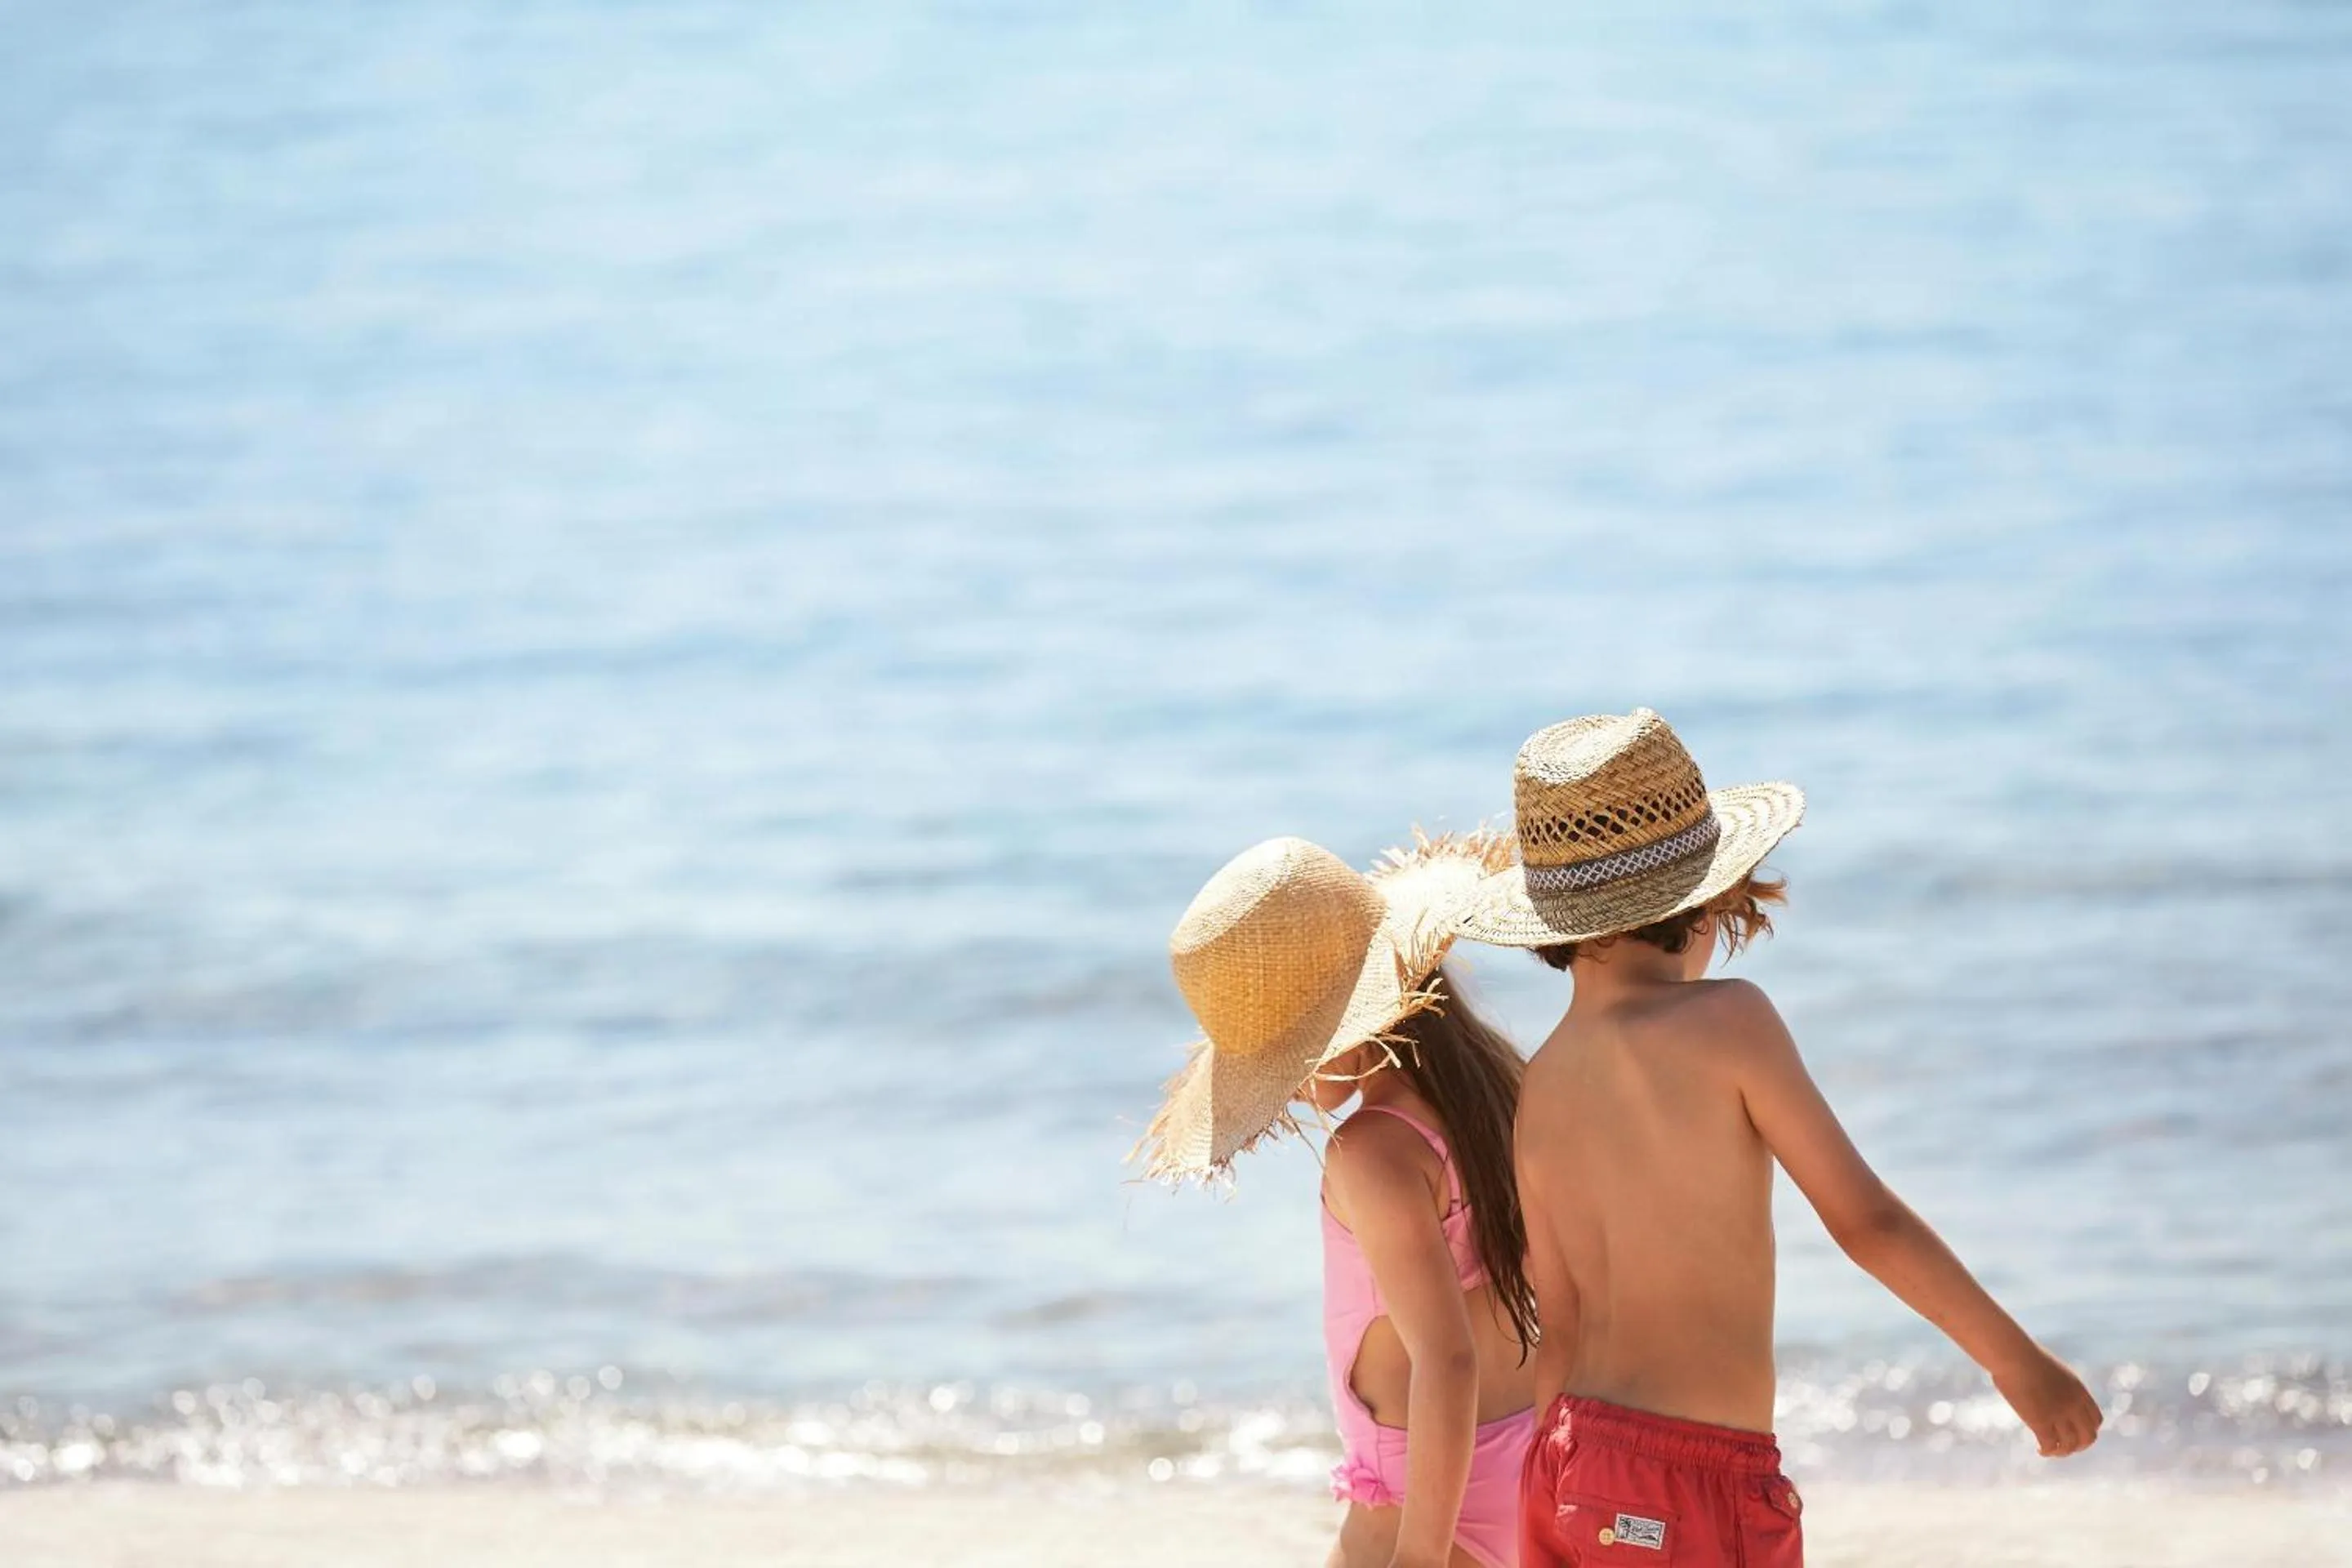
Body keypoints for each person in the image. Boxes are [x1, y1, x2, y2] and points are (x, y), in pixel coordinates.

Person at [1453, 710, 2102, 1568]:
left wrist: (1565, 1491)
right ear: (1707, 895)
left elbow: (1558, 1313)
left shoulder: (1544, 1080)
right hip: (1691, 1475)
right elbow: (1865, 1220)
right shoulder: (1730, 1021)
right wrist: (2016, 1361)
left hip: (1570, 1457)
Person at [1136, 831, 1539, 1568]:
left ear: (1354, 1029)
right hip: (1524, 1455)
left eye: (1288, 1052)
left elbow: (1446, 1362)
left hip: (1426, 1506)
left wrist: (1418, 1558)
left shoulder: (1373, 1151)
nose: (1287, 1084)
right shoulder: (1497, 1089)